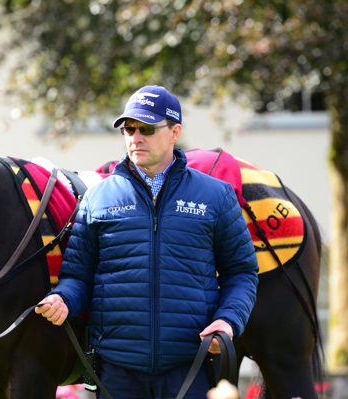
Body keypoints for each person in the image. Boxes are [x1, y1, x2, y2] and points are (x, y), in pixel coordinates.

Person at [36, 85, 258, 398]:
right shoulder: (97, 198)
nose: (135, 137)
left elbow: (242, 273)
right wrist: (64, 299)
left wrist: (227, 321)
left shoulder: (215, 196)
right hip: (116, 372)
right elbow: (78, 277)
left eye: (147, 129)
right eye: (129, 129)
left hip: (190, 368)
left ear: (174, 132)